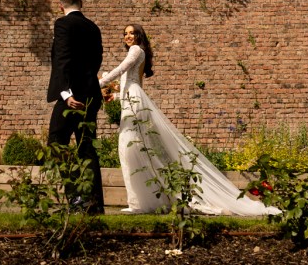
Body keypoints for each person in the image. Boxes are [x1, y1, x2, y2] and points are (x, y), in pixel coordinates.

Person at [99, 24, 280, 216]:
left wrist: (100, 81)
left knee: (131, 148)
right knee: (133, 149)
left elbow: (121, 69)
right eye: (125, 34)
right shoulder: (138, 53)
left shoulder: (136, 50)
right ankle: (140, 201)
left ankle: (141, 202)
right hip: (131, 98)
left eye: (132, 33)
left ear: (139, 36)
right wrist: (116, 96)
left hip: (133, 101)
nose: (128, 37)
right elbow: (134, 84)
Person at [47, 0, 105, 215]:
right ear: (82, 2)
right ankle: (94, 203)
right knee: (87, 147)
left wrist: (66, 92)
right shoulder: (93, 27)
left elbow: (62, 59)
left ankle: (76, 198)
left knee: (56, 141)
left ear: (60, 5)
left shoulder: (63, 24)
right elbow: (97, 59)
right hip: (91, 93)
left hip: (71, 96)